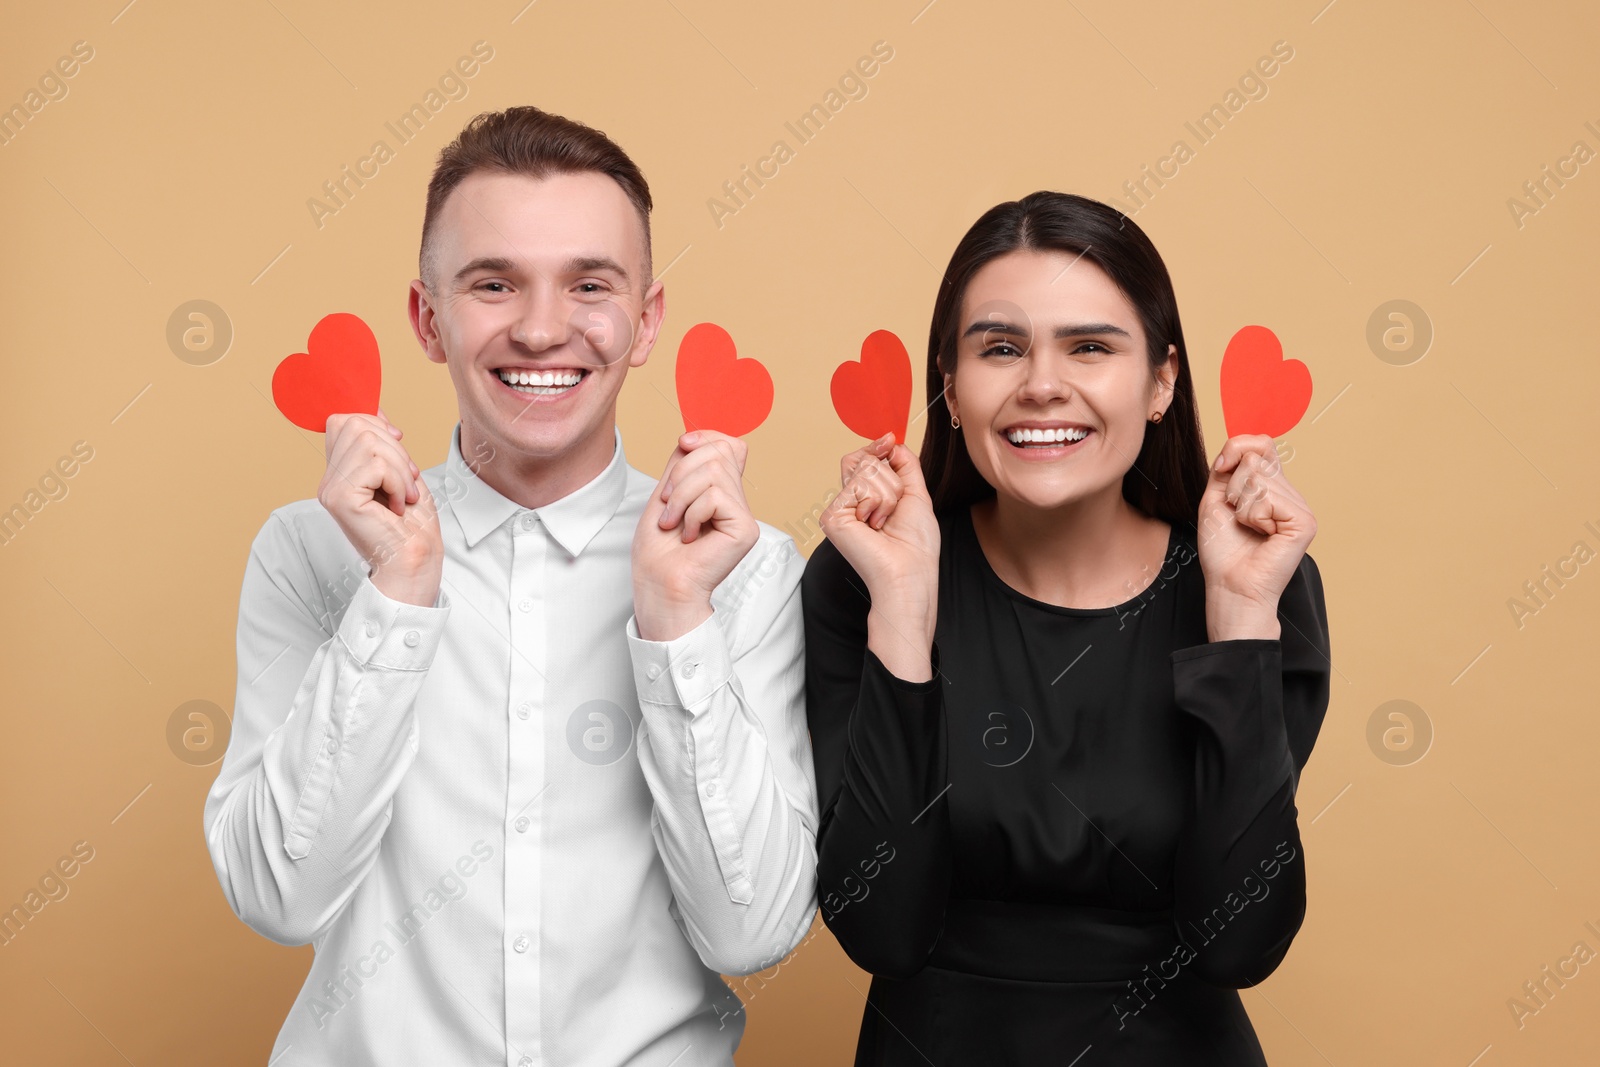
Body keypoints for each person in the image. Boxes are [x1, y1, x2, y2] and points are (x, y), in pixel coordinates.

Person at [203, 106, 818, 1066]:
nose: (540, 329)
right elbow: (279, 897)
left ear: (646, 322)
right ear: (427, 317)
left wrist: (673, 619)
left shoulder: (748, 569)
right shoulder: (308, 550)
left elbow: (753, 932)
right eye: (494, 283)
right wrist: (396, 595)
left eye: (589, 285)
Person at [803, 190, 1331, 1065]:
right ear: (950, 384)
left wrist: (1239, 621)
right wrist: (902, 609)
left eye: (1090, 346)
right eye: (1001, 348)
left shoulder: (1261, 584)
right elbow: (880, 931)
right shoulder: (859, 578)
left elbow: (1241, 943)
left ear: (1162, 381)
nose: (1042, 383)